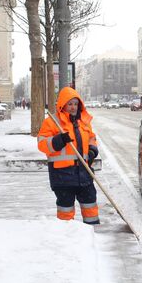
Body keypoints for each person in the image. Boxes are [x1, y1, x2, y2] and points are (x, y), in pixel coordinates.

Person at [37, 87, 100, 224]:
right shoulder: (52, 122)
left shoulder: (83, 121)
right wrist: (59, 140)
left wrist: (92, 150)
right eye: (70, 104)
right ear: (62, 105)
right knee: (66, 212)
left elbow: (91, 138)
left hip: (84, 173)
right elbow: (41, 144)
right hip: (62, 176)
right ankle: (66, 238)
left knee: (90, 206)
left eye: (76, 104)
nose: (73, 107)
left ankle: (94, 234)